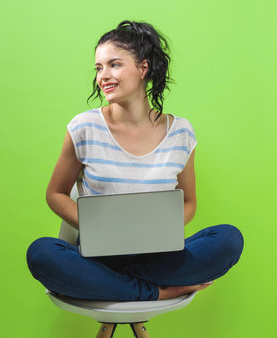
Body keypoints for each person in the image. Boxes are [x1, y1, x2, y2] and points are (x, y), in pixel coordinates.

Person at [26, 20, 243, 301]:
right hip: (98, 257)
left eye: (114, 64)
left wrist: (155, 229)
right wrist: (97, 227)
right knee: (41, 253)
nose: (103, 75)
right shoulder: (83, 128)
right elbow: (55, 194)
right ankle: (153, 292)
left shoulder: (181, 133)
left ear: (143, 68)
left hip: (158, 258)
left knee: (228, 239)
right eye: (99, 67)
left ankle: (115, 286)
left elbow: (189, 202)